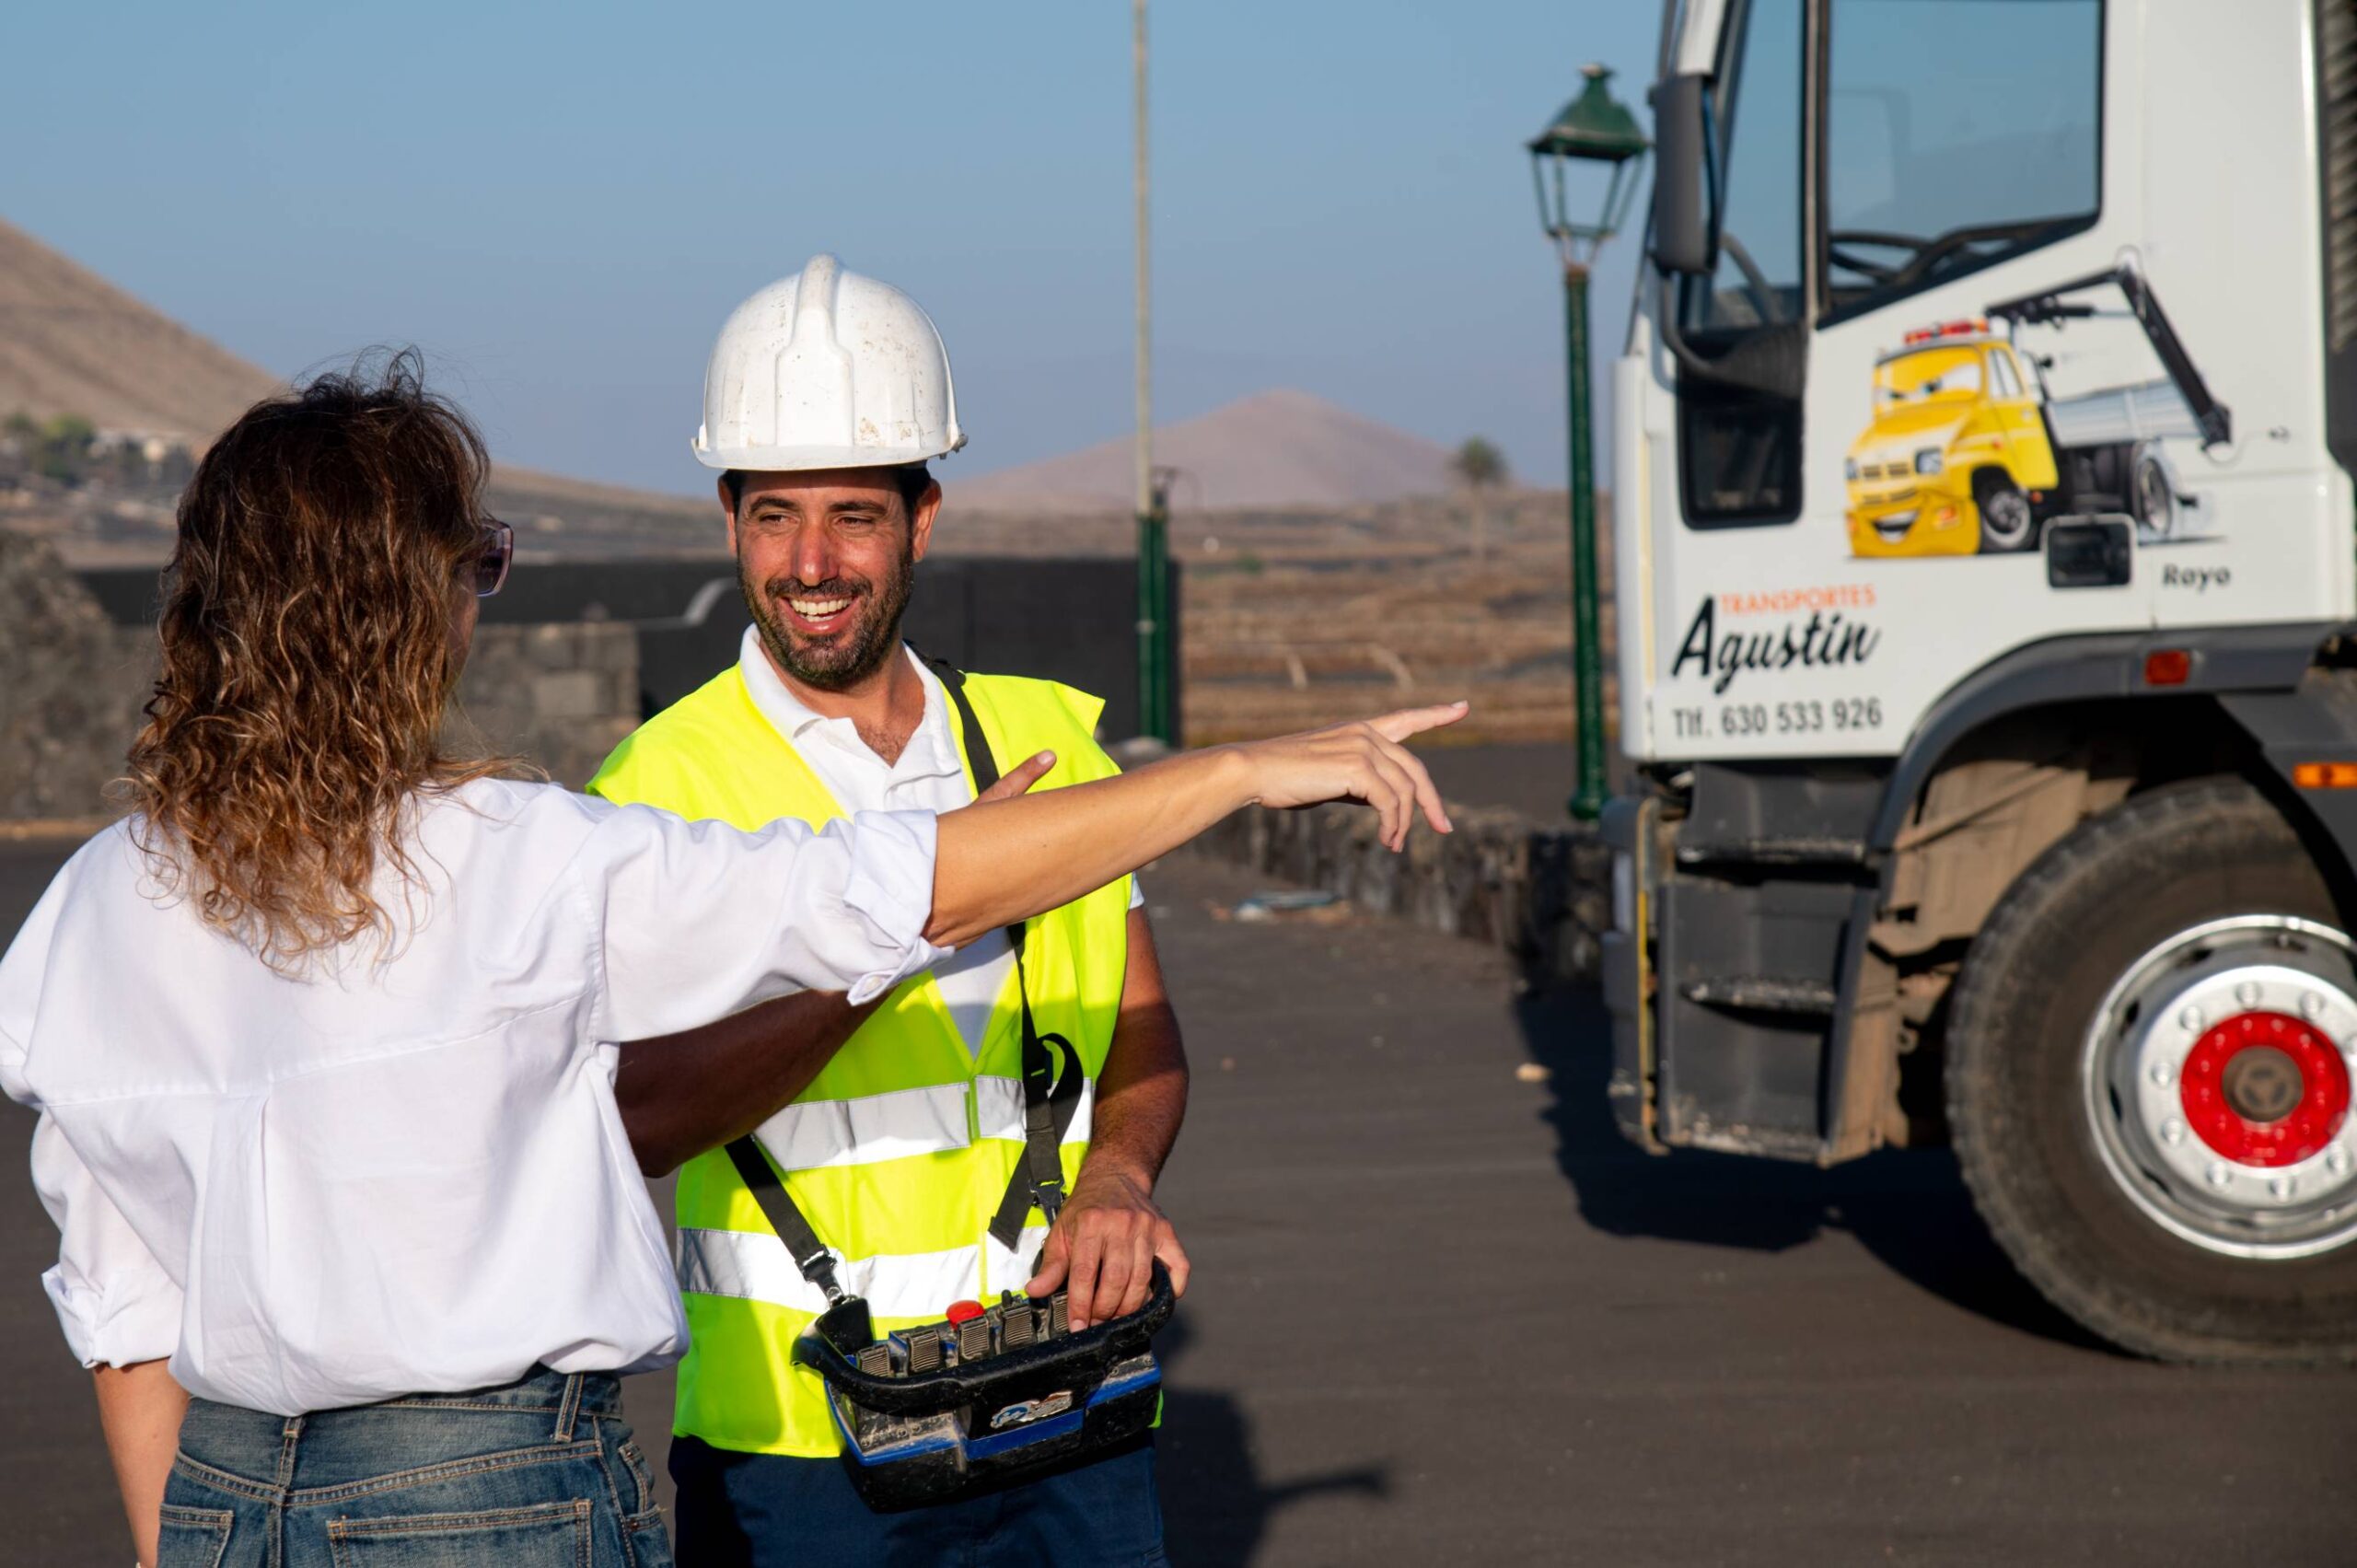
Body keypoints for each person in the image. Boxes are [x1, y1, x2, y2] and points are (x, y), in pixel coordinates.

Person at [0, 358, 1462, 1568]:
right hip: (487, 1490)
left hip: (221, 1496)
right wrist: (1242, 770)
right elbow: (878, 889)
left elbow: (125, 1315)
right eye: (476, 566)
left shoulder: (86, 911)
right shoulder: (516, 854)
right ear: (401, 609)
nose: (477, 607)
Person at [586, 255, 1207, 1564]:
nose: (811, 563)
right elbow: (637, 1118)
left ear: (922, 521)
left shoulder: (1044, 743)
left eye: (854, 517)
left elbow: (1142, 1027)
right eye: (775, 516)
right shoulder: (652, 793)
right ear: (730, 518)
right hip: (795, 1447)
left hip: (1067, 1390)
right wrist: (898, 938)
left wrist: (1117, 1175)